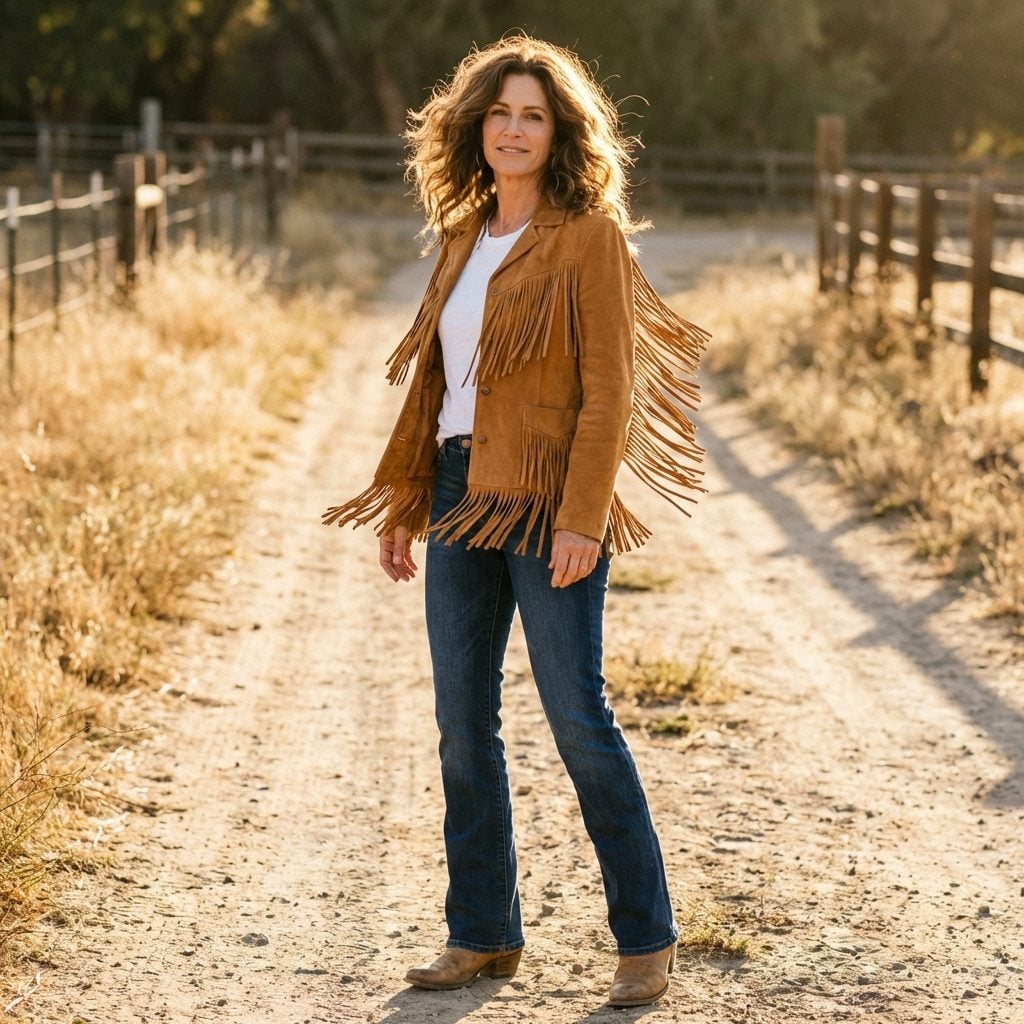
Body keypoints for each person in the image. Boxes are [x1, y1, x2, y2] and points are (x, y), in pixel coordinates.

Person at [323, 34, 709, 1008]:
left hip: (545, 503)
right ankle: (482, 934)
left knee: (578, 716)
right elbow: (437, 385)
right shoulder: (461, 235)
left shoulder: (589, 239)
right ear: (474, 127)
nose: (512, 128)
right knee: (462, 724)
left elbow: (608, 395)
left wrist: (583, 517)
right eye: (498, 112)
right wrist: (409, 499)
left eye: (532, 113)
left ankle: (645, 938)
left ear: (560, 131)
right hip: (457, 491)